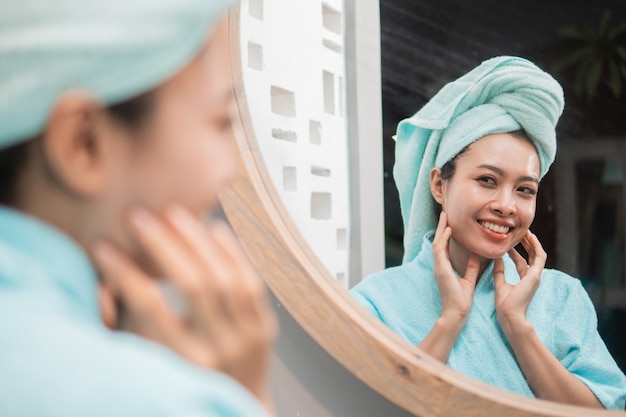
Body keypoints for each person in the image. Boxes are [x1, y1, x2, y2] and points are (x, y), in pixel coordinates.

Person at [0, 1, 278, 416]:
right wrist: (242, 398)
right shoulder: (157, 401)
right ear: (83, 142)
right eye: (221, 121)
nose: (229, 171)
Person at [351, 56, 626, 410]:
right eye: (487, 180)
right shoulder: (378, 302)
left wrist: (518, 328)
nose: (506, 205)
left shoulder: (562, 299)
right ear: (438, 184)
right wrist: (450, 320)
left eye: (525, 189)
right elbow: (366, 407)